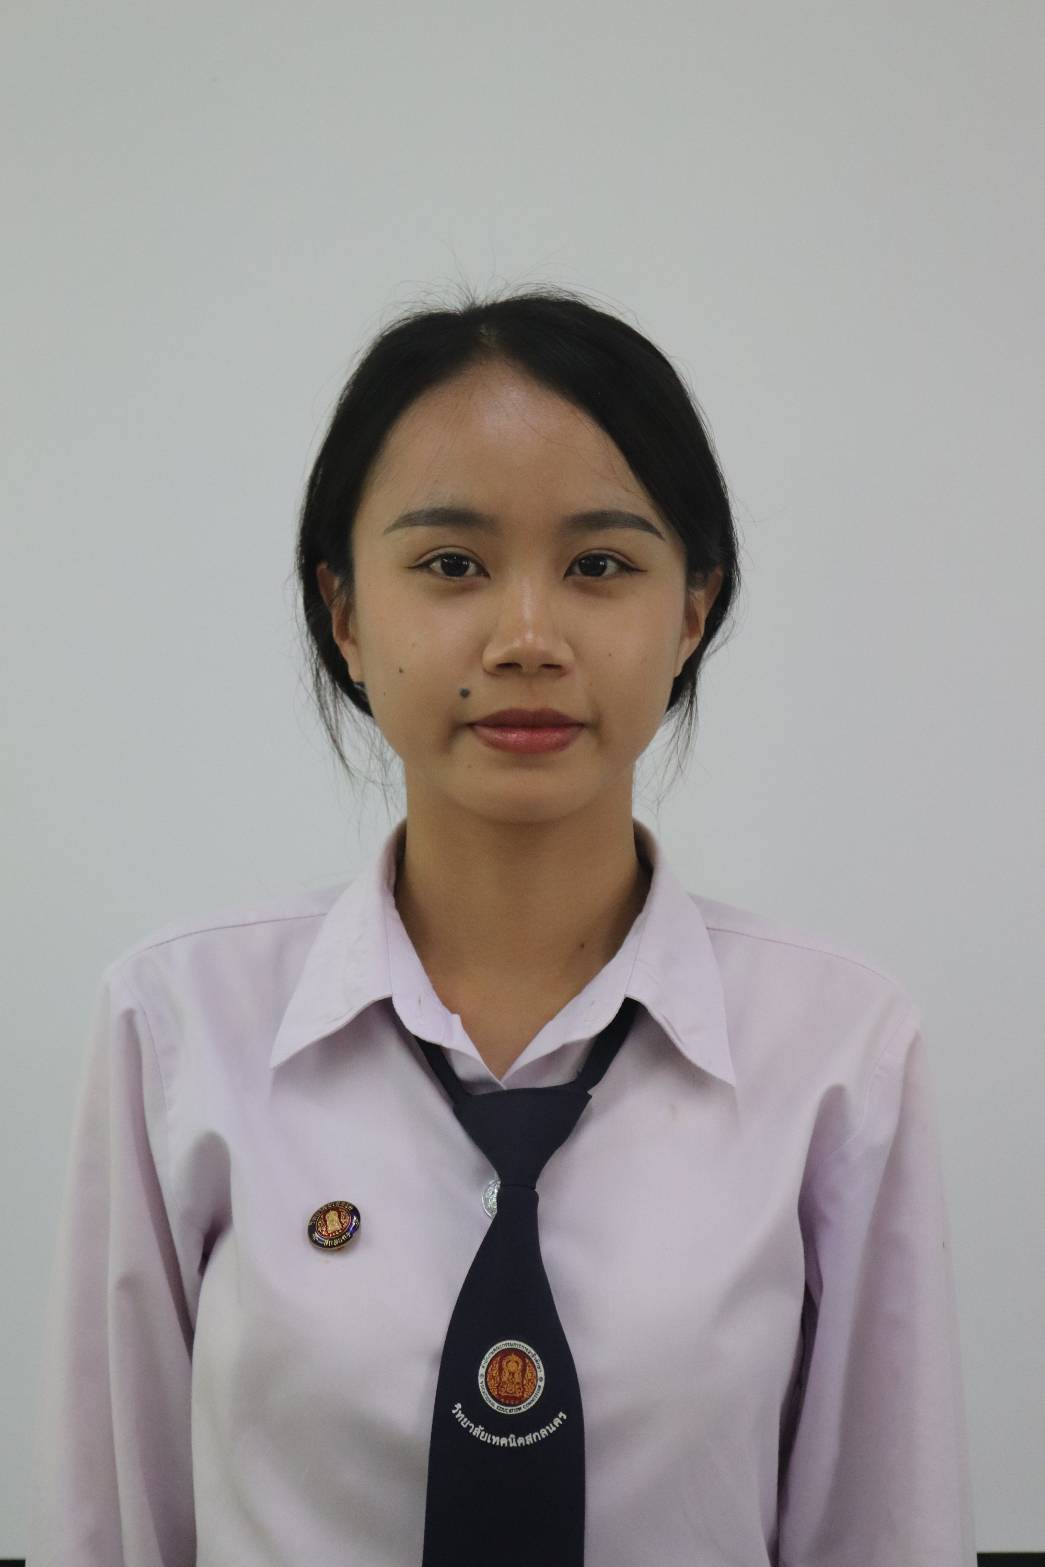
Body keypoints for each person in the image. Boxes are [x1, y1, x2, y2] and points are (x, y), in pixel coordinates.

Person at [26, 286, 977, 1564]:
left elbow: (883, 1531)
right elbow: (110, 1525)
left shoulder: (836, 1049)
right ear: (346, 614)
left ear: (691, 610)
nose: (528, 639)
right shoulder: (178, 1024)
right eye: (451, 565)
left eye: (599, 566)